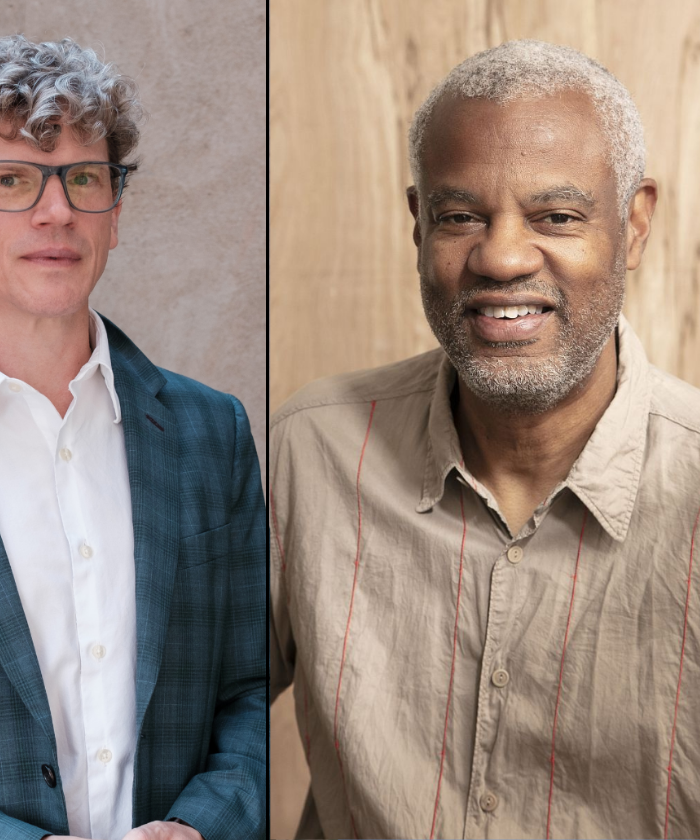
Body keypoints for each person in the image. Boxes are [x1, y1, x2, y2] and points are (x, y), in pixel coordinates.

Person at [269, 39, 700, 840]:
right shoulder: (308, 452)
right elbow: (197, 721)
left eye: (557, 217)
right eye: (461, 217)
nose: (501, 258)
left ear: (634, 224)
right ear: (418, 224)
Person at [0, 35, 265, 840]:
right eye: (11, 180)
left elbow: (251, 691)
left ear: (115, 215)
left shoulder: (210, 431)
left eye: (85, 179)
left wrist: (201, 827)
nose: (58, 211)